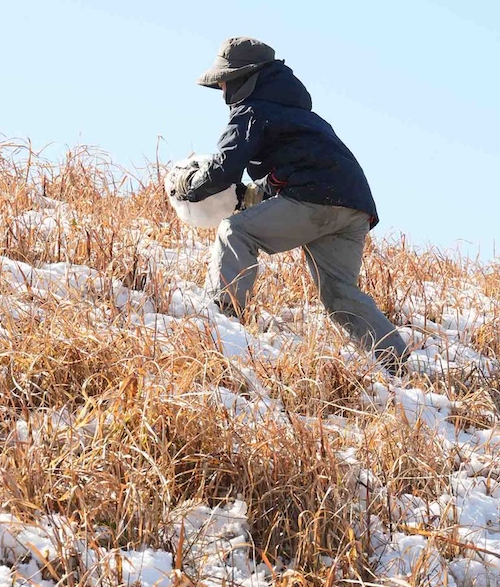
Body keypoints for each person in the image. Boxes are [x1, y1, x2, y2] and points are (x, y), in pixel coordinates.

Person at [172, 36, 409, 371]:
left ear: (243, 79)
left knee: (235, 232)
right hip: (355, 207)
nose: (222, 89)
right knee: (339, 293)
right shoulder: (301, 116)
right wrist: (251, 196)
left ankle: (219, 323)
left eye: (225, 81)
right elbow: (297, 168)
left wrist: (189, 187)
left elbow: (225, 169)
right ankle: (396, 360)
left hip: (314, 197)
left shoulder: (251, 110)